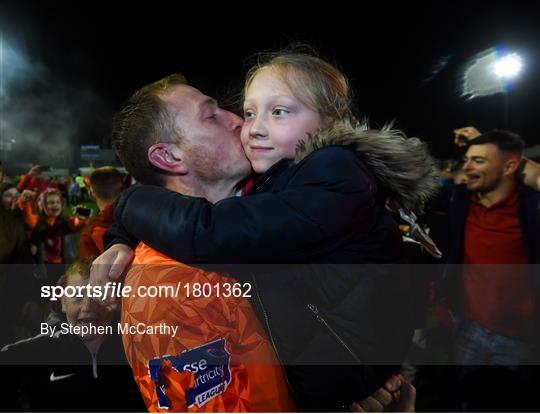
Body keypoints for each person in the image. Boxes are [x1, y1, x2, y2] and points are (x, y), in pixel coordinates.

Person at [95, 51, 435, 410]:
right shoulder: (164, 287)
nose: (240, 123)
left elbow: (218, 230)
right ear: (169, 158)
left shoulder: (291, 185)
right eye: (213, 116)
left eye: (278, 111)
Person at [434, 129, 540, 410]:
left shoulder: (531, 208)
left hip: (521, 341)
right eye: (467, 159)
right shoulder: (461, 201)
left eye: (479, 160)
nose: (467, 166)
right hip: (468, 329)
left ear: (510, 167)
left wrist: (485, 138)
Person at [0, 257, 146, 411]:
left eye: (98, 296)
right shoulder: (44, 348)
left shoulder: (137, 348)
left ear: (114, 301)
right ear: (63, 302)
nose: (87, 306)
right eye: (77, 297)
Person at [79, 167, 124, 258]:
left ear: (91, 194)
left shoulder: (90, 235)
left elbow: (89, 271)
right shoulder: (141, 218)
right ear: (122, 189)